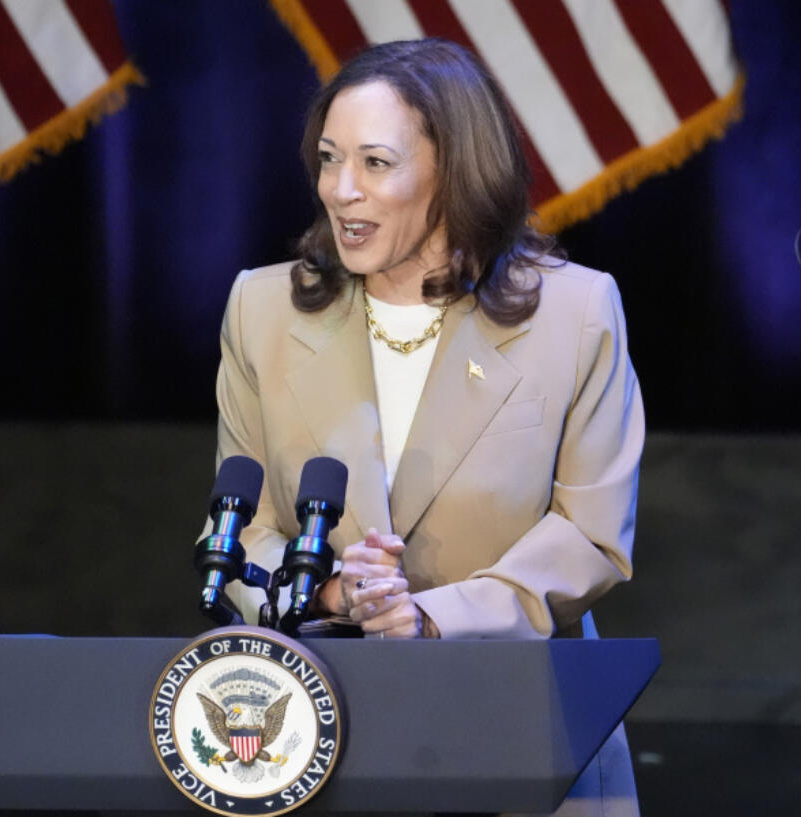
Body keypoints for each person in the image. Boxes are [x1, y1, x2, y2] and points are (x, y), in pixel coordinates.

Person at [215, 38, 643, 815]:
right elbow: (245, 527)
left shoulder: (575, 313)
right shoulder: (261, 309)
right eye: (328, 158)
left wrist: (432, 618)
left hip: (526, 737)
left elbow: (594, 536)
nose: (341, 191)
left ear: (453, 169)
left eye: (376, 163)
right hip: (326, 737)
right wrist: (332, 592)